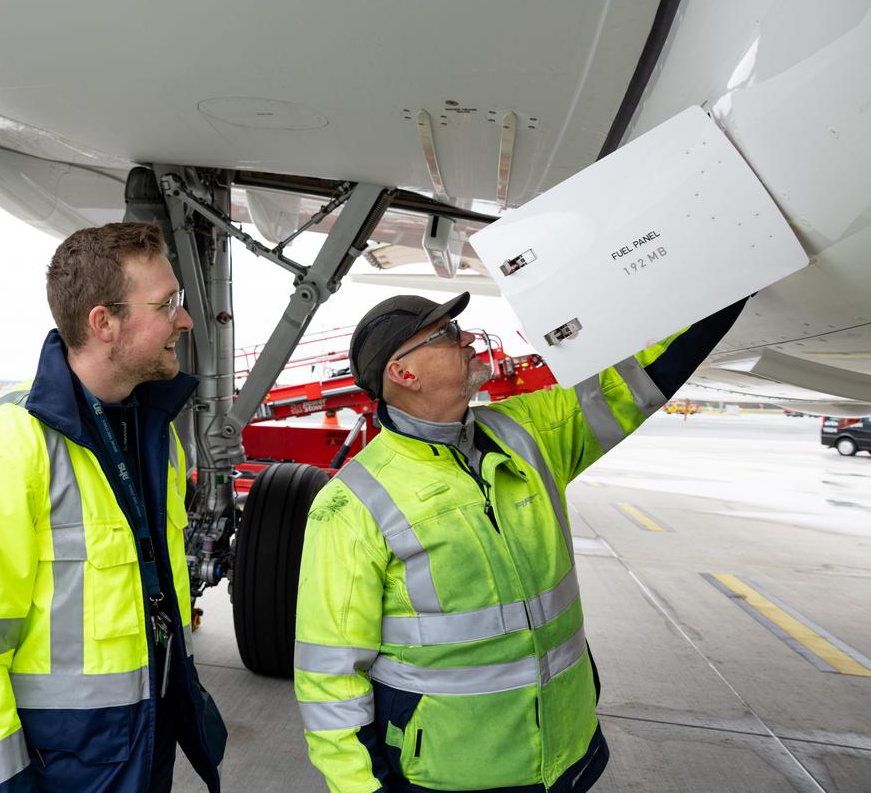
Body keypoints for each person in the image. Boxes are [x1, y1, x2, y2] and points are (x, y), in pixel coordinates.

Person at [294, 292, 745, 793]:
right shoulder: (351, 504)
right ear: (404, 373)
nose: (465, 337)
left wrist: (735, 278)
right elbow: (329, 677)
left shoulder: (527, 434)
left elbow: (636, 382)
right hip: (454, 775)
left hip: (566, 753)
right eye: (445, 333)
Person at [0, 222, 226, 793]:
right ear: (104, 322)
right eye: (167, 303)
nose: (185, 319)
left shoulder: (158, 440)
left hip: (131, 760)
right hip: (52, 774)